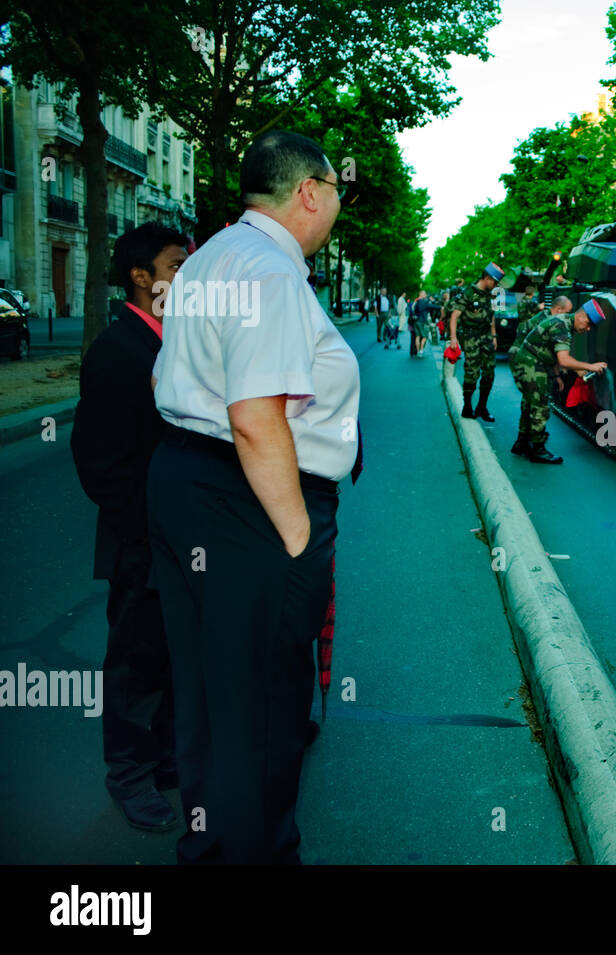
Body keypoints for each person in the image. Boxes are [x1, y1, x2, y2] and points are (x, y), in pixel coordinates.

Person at [148, 129, 361, 863]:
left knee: (209, 695)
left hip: (187, 483)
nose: (337, 205)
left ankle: (210, 848)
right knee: (264, 708)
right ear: (308, 191)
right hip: (253, 503)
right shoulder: (270, 271)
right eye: (336, 190)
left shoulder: (210, 257)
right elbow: (253, 415)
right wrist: (299, 539)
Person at [70, 223, 188, 833]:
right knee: (134, 666)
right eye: (176, 263)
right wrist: (148, 531)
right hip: (142, 543)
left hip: (175, 542)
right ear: (143, 277)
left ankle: (164, 760)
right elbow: (99, 465)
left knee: (169, 658)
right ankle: (129, 777)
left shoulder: (172, 341)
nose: (185, 272)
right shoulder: (118, 350)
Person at [507, 296, 597, 464]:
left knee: (529, 403)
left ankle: (521, 443)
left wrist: (556, 376)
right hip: (531, 364)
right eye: (588, 323)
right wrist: (591, 366)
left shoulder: (564, 322)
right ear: (581, 316)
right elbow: (563, 360)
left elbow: (551, 351)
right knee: (540, 405)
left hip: (533, 362)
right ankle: (538, 450)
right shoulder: (562, 326)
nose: (588, 329)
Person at [448, 263, 502, 421]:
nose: (496, 285)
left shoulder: (489, 294)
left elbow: (491, 315)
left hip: (486, 337)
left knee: (489, 373)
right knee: (472, 373)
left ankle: (482, 407)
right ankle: (467, 406)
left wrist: (494, 336)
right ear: (486, 278)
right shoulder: (468, 293)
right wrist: (453, 338)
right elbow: (454, 316)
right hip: (471, 336)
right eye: (495, 282)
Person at [410, 289, 433, 358]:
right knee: (424, 336)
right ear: (421, 294)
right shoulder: (422, 302)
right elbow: (431, 307)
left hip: (414, 321)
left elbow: (412, 310)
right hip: (422, 321)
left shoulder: (415, 301)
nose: (426, 295)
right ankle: (421, 351)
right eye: (425, 294)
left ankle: (416, 351)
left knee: (417, 336)